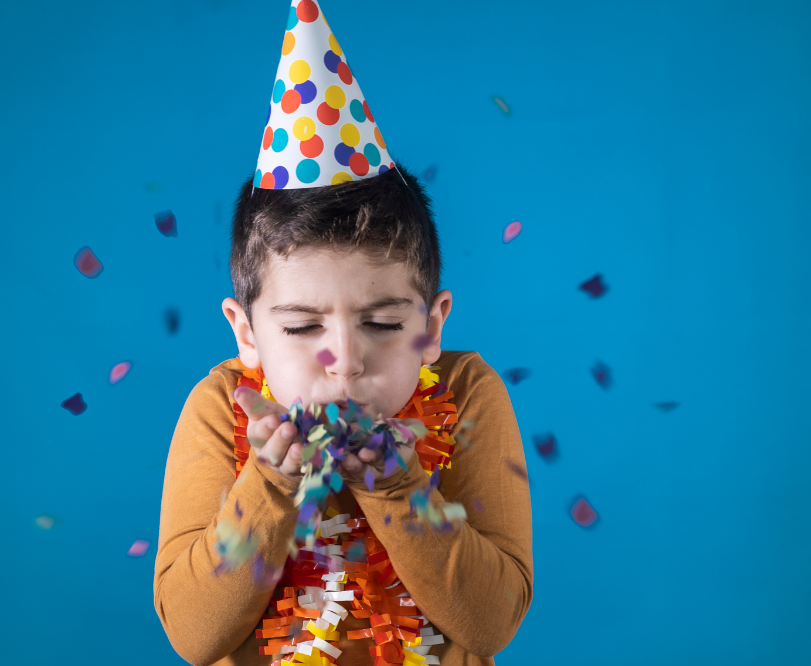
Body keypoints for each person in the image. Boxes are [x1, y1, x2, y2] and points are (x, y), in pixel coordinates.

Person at [154, 2, 532, 664]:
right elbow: (193, 633)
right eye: (301, 327)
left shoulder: (470, 394)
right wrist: (270, 482)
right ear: (246, 334)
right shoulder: (221, 409)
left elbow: (493, 621)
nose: (346, 360)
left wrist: (395, 485)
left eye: (383, 324)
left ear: (433, 324)